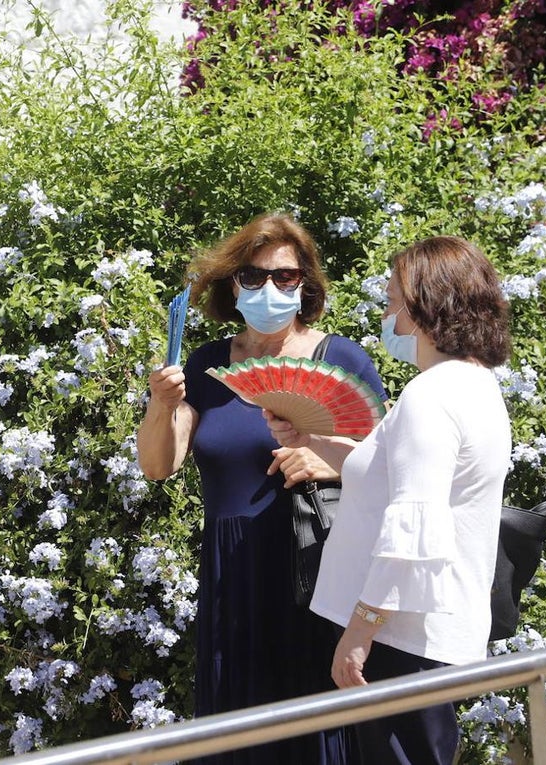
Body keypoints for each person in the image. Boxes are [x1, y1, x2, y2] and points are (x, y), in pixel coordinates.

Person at [136, 213, 385, 764]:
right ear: (233, 284)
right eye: (253, 277)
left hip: (312, 568)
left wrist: (326, 459)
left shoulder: (340, 358)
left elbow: (391, 465)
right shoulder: (204, 365)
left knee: (312, 726)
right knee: (236, 733)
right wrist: (161, 404)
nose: (269, 288)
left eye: (285, 277)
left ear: (306, 285)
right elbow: (159, 465)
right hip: (232, 574)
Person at [268, 236, 511, 765]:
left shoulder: (433, 396)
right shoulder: (470, 383)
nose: (386, 312)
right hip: (418, 634)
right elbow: (389, 469)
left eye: (392, 299)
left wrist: (359, 633)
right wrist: (309, 438)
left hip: (402, 639)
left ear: (426, 305)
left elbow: (413, 528)